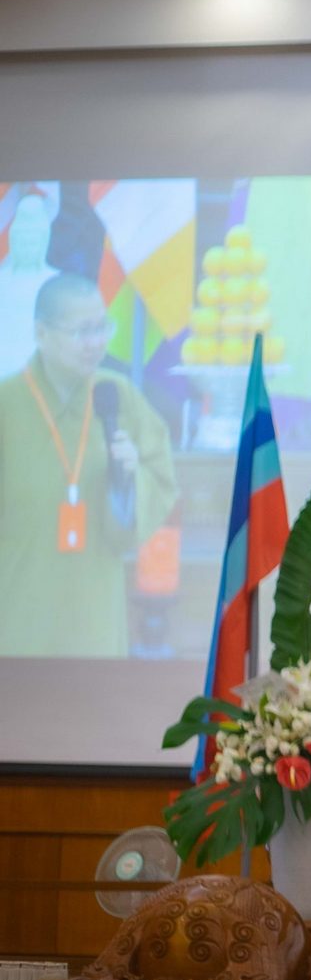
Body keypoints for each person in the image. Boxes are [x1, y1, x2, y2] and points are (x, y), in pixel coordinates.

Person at [0, 273, 177, 657]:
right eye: (82, 331)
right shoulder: (6, 404)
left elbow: (160, 478)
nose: (96, 342)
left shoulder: (119, 397)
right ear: (41, 333)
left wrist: (129, 479)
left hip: (93, 618)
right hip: (16, 617)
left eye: (102, 328)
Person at [0, 192, 58, 379]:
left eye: (32, 243)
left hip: (41, 369)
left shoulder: (56, 283)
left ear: (43, 242)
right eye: (22, 242)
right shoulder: (2, 280)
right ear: (13, 241)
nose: (26, 249)